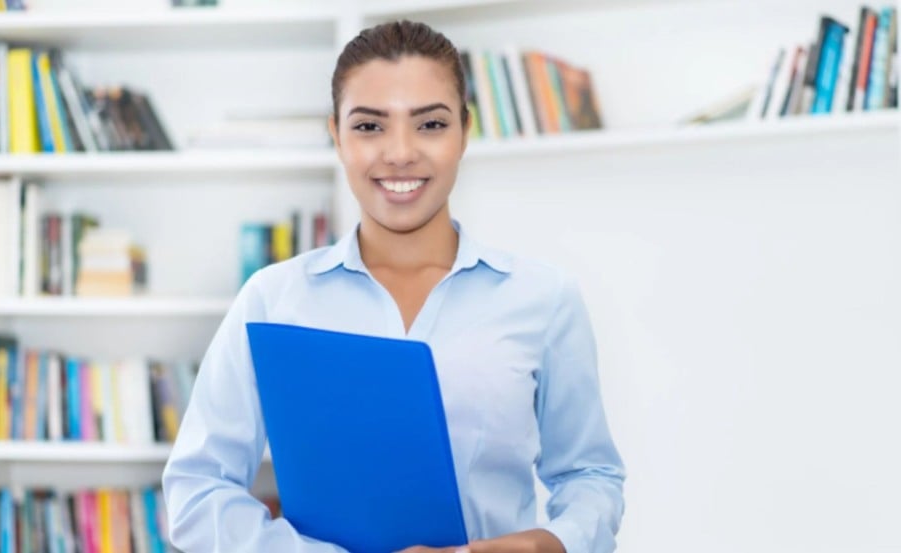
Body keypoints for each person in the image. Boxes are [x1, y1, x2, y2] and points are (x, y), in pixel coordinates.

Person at [162, 20, 625, 553]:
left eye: (430, 124)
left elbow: (591, 476)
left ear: (464, 133)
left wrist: (541, 545)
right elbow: (195, 491)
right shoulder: (271, 300)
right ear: (335, 135)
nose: (400, 152)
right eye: (369, 126)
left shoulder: (544, 300)